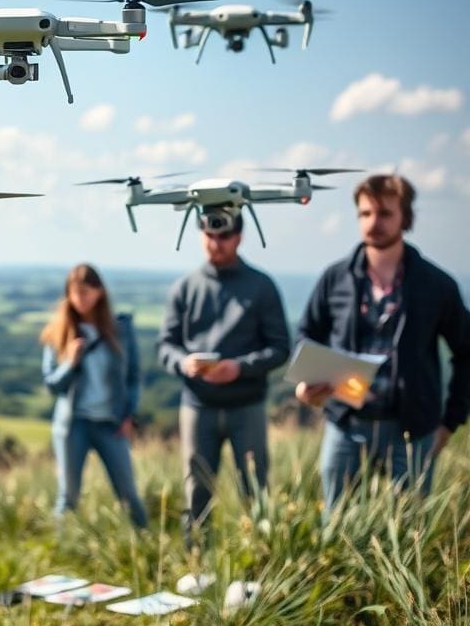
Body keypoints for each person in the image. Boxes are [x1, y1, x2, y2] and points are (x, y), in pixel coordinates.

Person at [295, 174, 470, 514]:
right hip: (345, 425)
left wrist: (449, 423)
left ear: (405, 217)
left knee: (407, 534)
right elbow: (306, 336)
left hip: (411, 430)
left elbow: (468, 352)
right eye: (365, 214)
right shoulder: (335, 278)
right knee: (338, 529)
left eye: (385, 213)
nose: (374, 223)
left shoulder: (436, 285)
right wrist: (306, 384)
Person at [158, 211, 290, 549]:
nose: (216, 244)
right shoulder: (184, 288)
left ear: (239, 237)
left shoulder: (261, 286)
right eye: (210, 236)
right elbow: (165, 346)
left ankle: (260, 557)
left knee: (255, 487)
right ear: (201, 234)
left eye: (224, 237)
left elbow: (280, 348)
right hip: (197, 406)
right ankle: (197, 561)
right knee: (196, 488)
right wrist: (182, 362)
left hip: (247, 406)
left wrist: (240, 367)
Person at [40, 263, 148, 528]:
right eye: (75, 294)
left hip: (110, 423)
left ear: (99, 292)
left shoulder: (120, 330)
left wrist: (129, 414)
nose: (80, 300)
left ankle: (147, 548)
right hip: (72, 424)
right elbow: (51, 385)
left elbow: (133, 376)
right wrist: (70, 363)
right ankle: (60, 552)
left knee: (128, 493)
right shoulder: (59, 333)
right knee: (68, 496)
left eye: (86, 293)